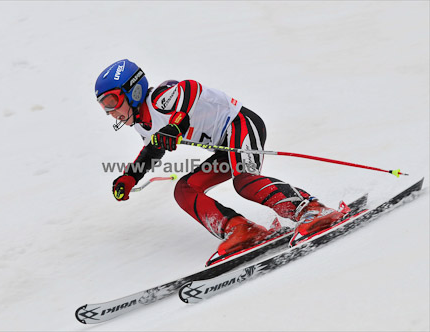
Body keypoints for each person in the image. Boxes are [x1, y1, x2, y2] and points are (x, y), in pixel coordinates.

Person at [94, 59, 345, 257]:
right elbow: (152, 150)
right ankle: (240, 229)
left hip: (241, 124)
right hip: (225, 147)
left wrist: (177, 125)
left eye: (111, 101)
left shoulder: (160, 99)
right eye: (104, 106)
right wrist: (130, 176)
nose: (110, 112)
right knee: (184, 189)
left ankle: (312, 210)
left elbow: (190, 87)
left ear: (133, 91)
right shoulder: (143, 124)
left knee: (245, 182)